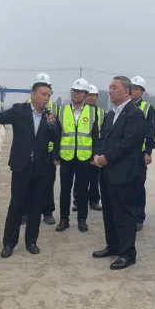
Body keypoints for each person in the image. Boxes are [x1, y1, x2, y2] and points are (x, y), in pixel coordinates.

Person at [0, 82, 58, 258]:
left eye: (48, 95)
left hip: (40, 167)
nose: (46, 98)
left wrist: (52, 124)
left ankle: (31, 241)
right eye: (43, 94)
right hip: (21, 166)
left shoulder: (50, 116)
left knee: (36, 206)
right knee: (16, 204)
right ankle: (9, 243)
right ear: (33, 94)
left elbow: (56, 138)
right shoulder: (19, 111)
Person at [92, 76, 146, 269]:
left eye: (114, 87)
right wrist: (97, 154)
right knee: (109, 212)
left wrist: (106, 157)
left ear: (127, 91)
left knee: (124, 214)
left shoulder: (135, 114)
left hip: (124, 173)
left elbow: (128, 143)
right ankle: (113, 246)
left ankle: (127, 253)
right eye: (109, 87)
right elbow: (103, 137)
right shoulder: (111, 114)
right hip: (107, 172)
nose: (110, 90)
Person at [54, 78, 99, 233]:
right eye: (74, 91)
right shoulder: (62, 111)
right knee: (65, 190)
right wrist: (56, 154)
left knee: (82, 190)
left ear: (85, 94)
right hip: (66, 157)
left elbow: (95, 136)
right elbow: (58, 135)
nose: (76, 94)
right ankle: (64, 219)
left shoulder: (92, 112)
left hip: (84, 157)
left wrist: (95, 155)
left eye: (79, 92)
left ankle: (82, 219)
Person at [26, 72, 58, 226]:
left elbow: (58, 133)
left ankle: (47, 212)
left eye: (48, 89)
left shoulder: (54, 108)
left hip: (48, 154)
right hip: (31, 153)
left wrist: (56, 154)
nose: (46, 95)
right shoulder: (26, 106)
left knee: (47, 184)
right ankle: (26, 212)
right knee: (28, 183)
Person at [130, 76, 155, 231]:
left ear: (141, 91)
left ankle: (139, 218)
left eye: (136, 88)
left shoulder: (148, 108)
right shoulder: (124, 106)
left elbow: (151, 131)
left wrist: (148, 151)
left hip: (139, 154)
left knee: (138, 186)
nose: (133, 91)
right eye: (132, 88)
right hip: (125, 154)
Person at [73, 84, 104, 212]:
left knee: (95, 177)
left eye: (94, 95)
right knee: (80, 178)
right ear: (85, 96)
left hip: (96, 149)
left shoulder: (101, 112)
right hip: (82, 150)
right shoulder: (79, 111)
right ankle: (78, 201)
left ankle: (94, 201)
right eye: (90, 95)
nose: (92, 97)